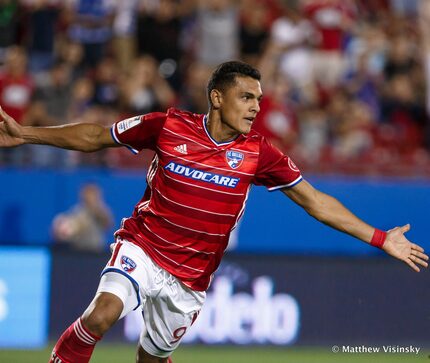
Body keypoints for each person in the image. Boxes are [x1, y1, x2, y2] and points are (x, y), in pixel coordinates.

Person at [0, 61, 428, 363]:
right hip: (143, 247)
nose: (256, 107)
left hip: (191, 278)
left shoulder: (259, 154)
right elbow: (97, 135)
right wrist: (26, 134)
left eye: (259, 99)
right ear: (217, 97)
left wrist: (379, 237)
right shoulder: (166, 126)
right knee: (103, 313)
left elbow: (316, 202)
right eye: (246, 97)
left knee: (152, 357)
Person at [52, 183, 113, 253]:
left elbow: (108, 224)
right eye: (87, 194)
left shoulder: (102, 210)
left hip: (97, 250)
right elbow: (72, 229)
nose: (90, 197)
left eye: (92, 194)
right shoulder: (78, 211)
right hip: (80, 251)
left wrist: (96, 209)